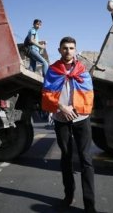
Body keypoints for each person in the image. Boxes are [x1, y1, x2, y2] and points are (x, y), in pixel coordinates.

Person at [42, 36, 96, 213]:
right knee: (66, 157)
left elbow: (88, 94)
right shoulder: (53, 70)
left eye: (71, 48)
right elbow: (47, 93)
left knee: (86, 159)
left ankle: (89, 204)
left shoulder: (82, 70)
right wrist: (61, 107)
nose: (68, 51)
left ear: (75, 50)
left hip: (81, 119)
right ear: (59, 50)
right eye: (65, 48)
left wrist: (76, 108)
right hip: (61, 119)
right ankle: (68, 196)